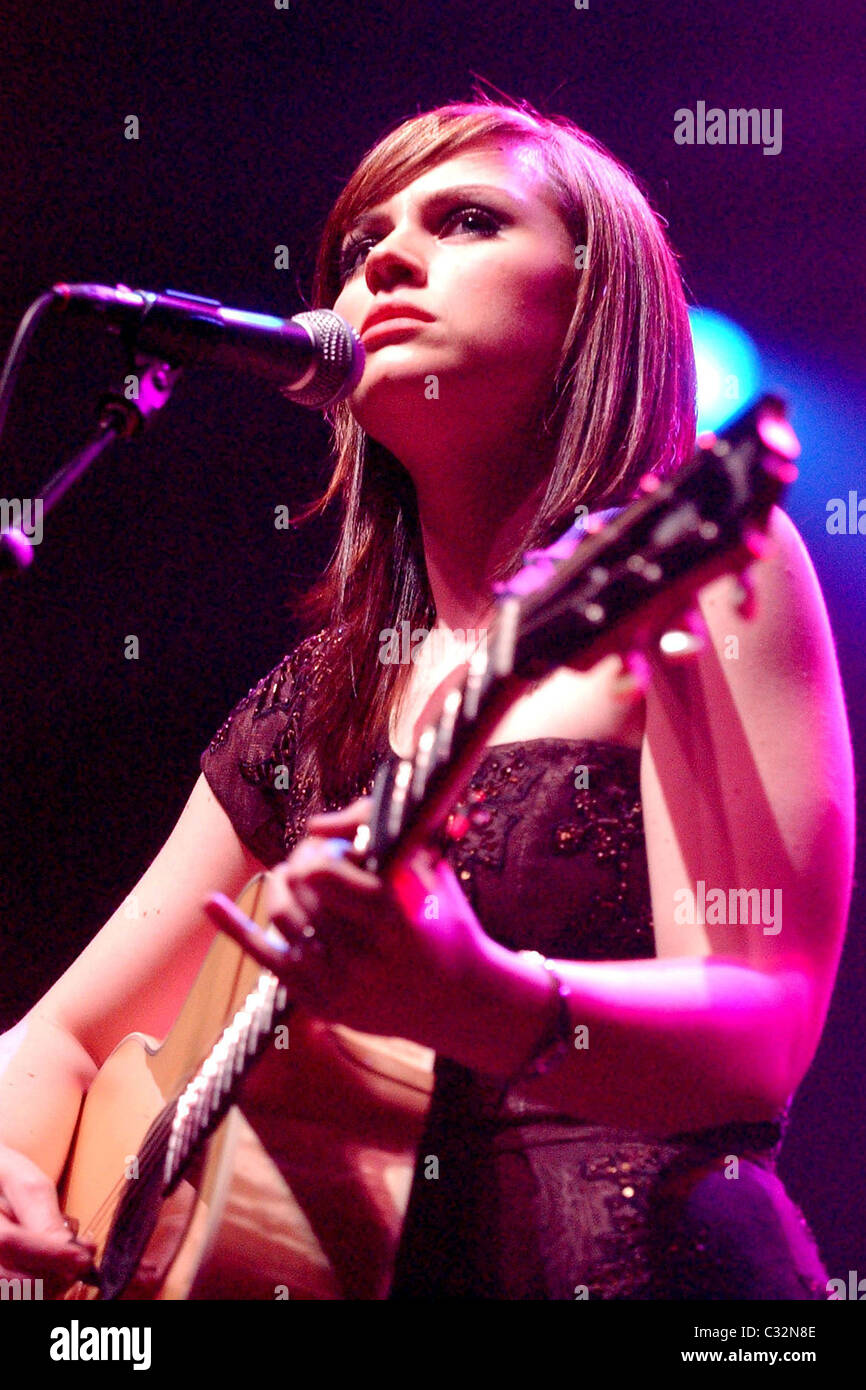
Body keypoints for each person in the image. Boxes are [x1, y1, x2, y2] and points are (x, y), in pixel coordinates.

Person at [0, 94, 854, 1301]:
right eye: (358, 249)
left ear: (590, 307)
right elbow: (61, 1035)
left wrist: (484, 1000)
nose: (384, 258)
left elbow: (763, 1041)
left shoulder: (703, 568)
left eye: (462, 220)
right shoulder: (310, 703)